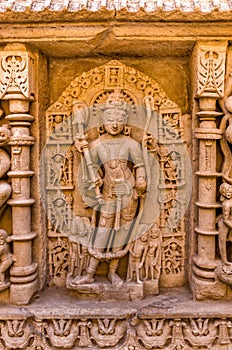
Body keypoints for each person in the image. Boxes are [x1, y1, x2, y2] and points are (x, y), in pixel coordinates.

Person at [72, 90, 147, 286]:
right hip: (107, 193)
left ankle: (113, 273)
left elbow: (139, 166)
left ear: (126, 121)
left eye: (119, 118)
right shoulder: (96, 145)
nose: (114, 124)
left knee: (121, 233)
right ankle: (89, 273)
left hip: (128, 194)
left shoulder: (131, 144)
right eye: (110, 118)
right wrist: (84, 156)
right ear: (103, 120)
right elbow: (91, 169)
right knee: (103, 232)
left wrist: (140, 180)